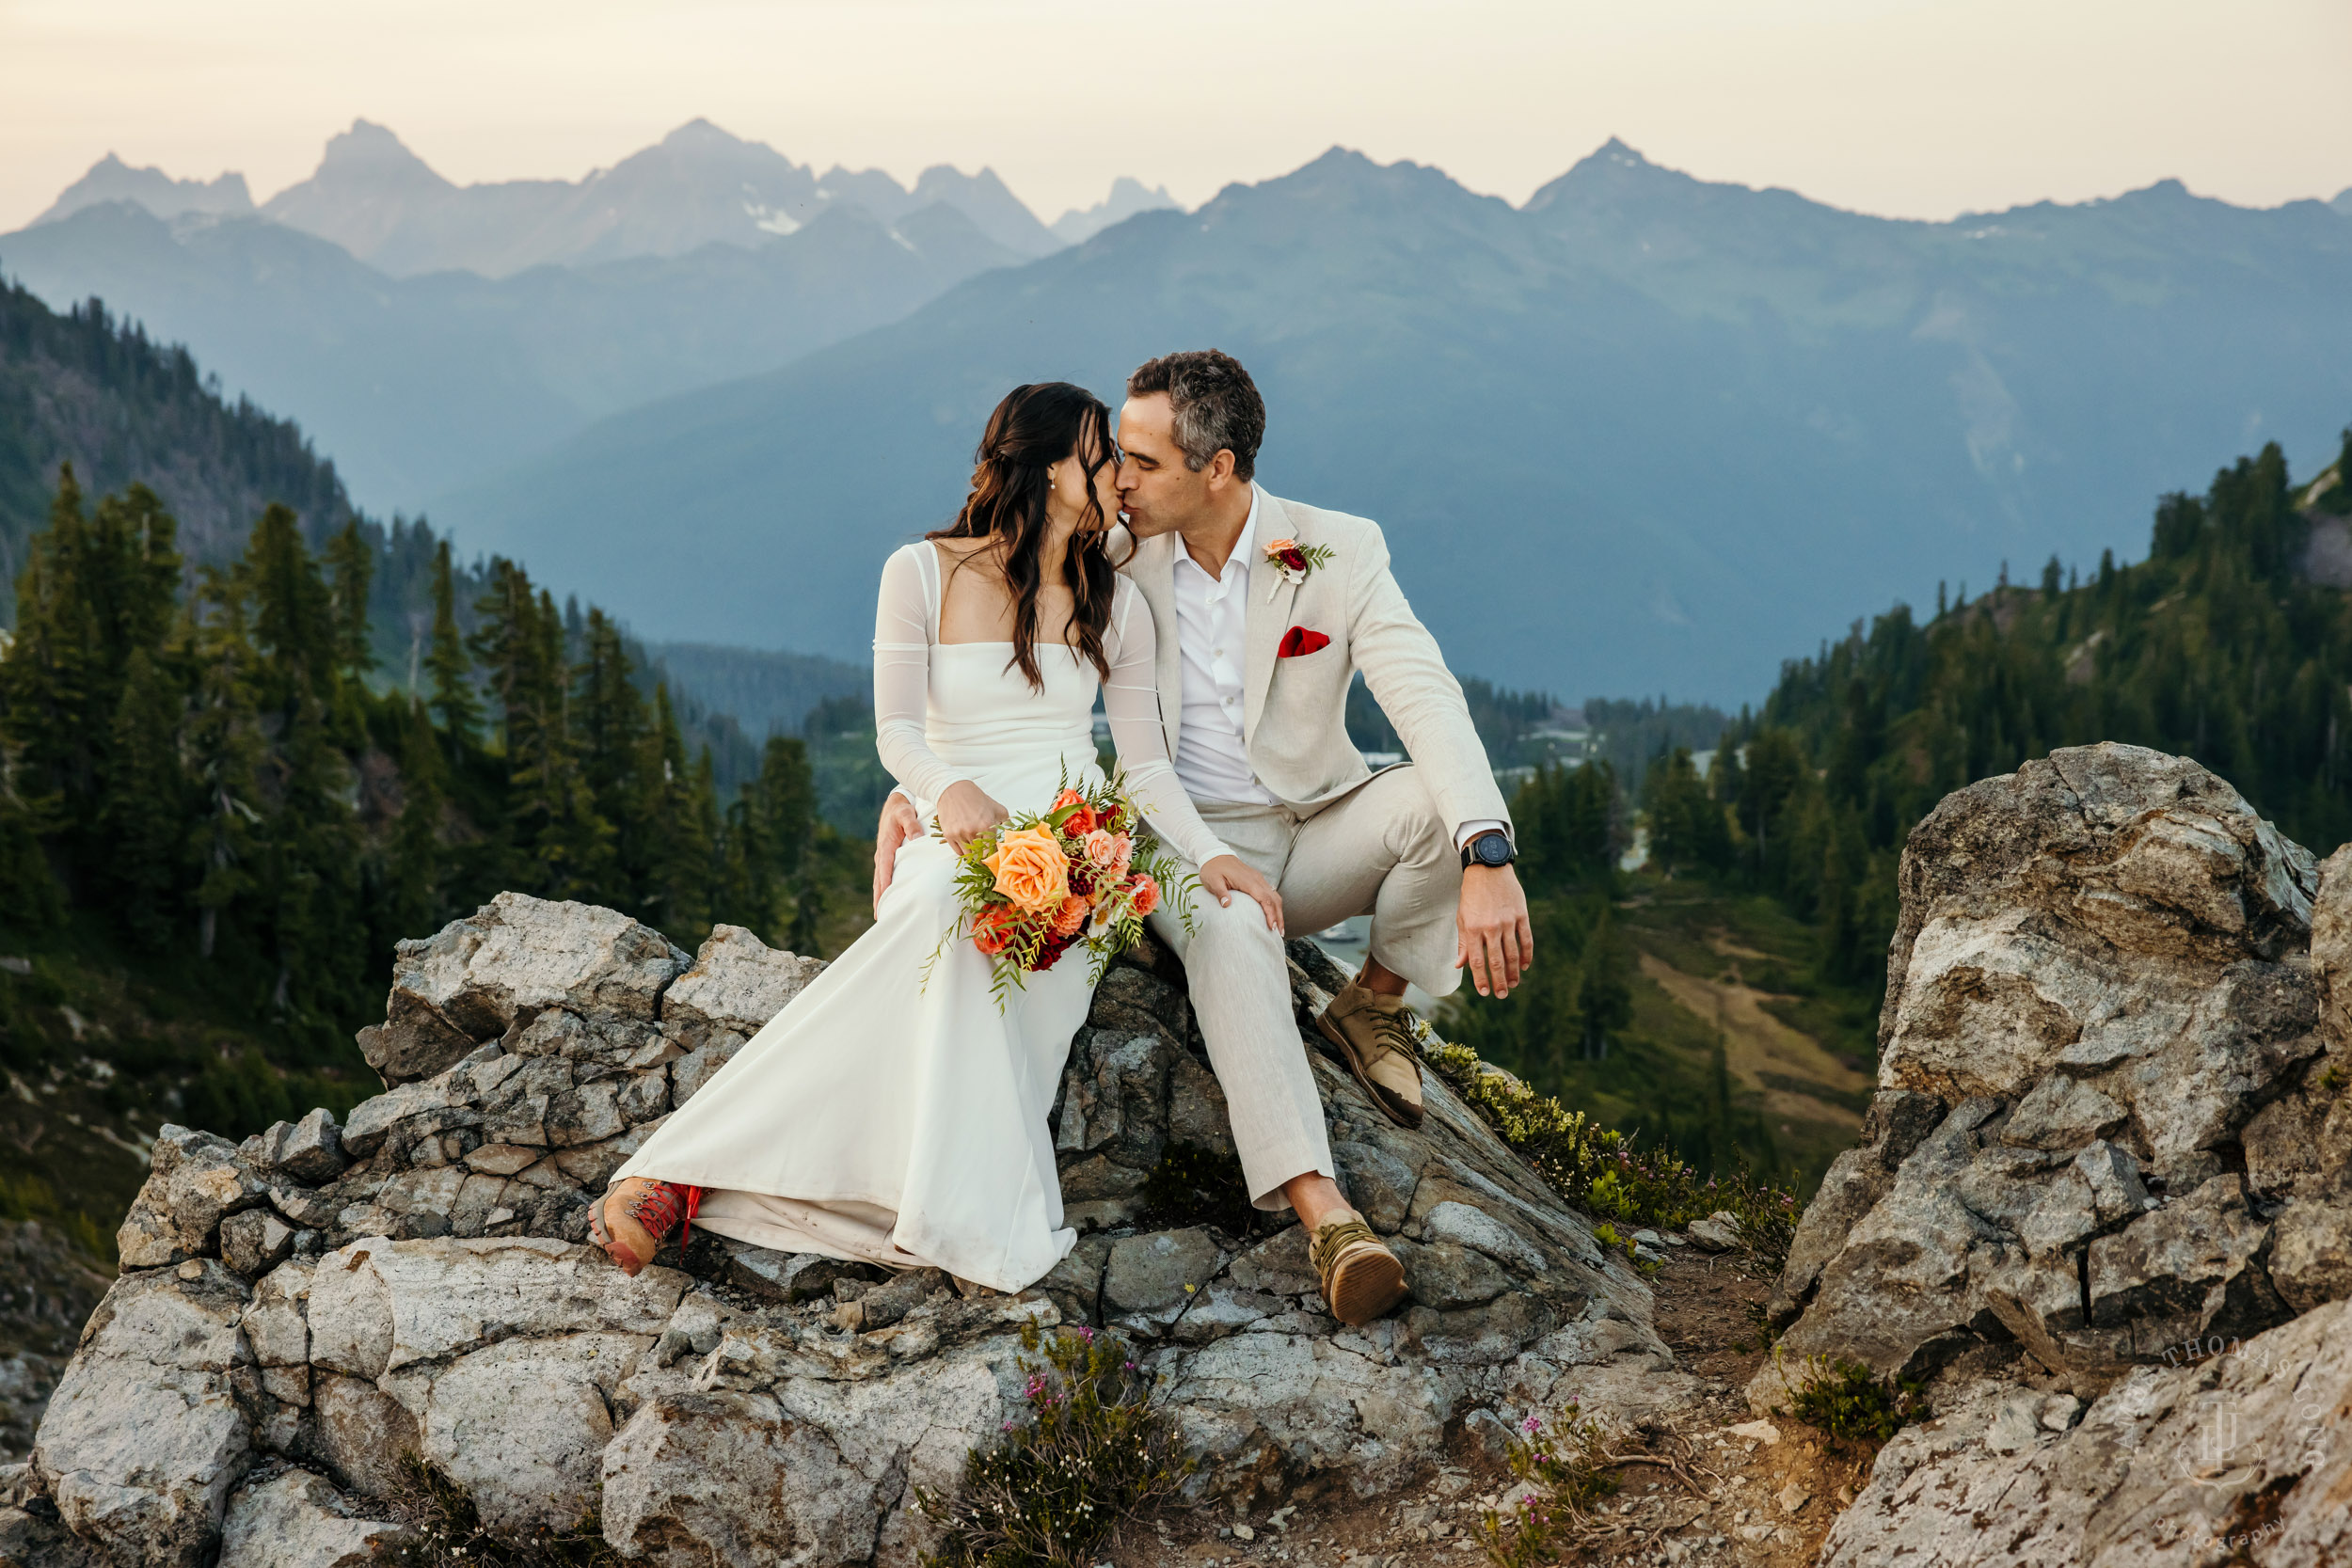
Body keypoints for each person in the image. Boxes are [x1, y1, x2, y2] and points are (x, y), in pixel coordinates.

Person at [588, 382, 1407, 1323]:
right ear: (1053, 467)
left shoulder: (1118, 596)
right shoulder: (922, 572)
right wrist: (939, 792)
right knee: (943, 910)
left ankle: (756, 1181)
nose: (1120, 479)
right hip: (957, 828)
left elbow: (1140, 766)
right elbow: (897, 730)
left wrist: (1206, 854)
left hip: (1074, 843)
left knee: (1043, 948)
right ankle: (678, 1170)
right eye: (1105, 457)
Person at [876, 350, 1532, 1323]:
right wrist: (918, 793)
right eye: (1114, 462)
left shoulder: (1335, 549)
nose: (1121, 481)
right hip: (1179, 843)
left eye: (1140, 462)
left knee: (1439, 802)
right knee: (1231, 931)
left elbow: (1425, 698)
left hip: (1316, 830)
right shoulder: (1111, 549)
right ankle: (1326, 1212)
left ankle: (1374, 1001)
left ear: (1216, 468)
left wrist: (1489, 854)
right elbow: (989, 658)